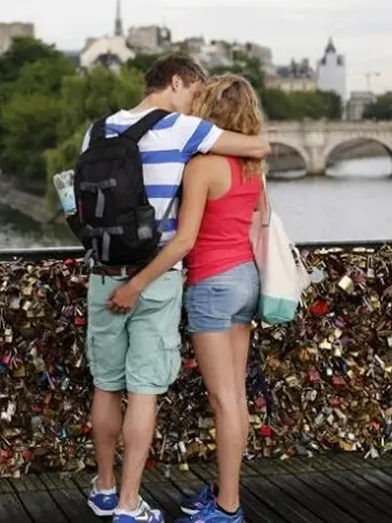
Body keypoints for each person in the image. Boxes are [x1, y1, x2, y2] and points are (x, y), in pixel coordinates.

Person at [82, 56, 269, 523]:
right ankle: (132, 505)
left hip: (105, 271)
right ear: (177, 82)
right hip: (167, 276)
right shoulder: (186, 132)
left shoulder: (98, 130)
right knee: (146, 391)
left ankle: (104, 490)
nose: (195, 105)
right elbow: (260, 147)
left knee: (106, 384)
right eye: (193, 93)